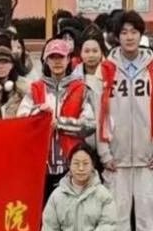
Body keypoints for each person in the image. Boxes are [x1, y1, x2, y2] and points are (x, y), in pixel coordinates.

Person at [96, 11, 153, 231]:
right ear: (117, 36)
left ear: (140, 35)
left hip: (147, 156)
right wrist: (104, 153)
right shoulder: (106, 68)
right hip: (116, 156)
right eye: (124, 32)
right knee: (118, 216)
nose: (129, 37)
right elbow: (100, 113)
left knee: (149, 215)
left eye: (134, 32)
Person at [19, 39, 96, 204]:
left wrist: (59, 123)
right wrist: (38, 114)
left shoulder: (81, 88)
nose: (57, 62)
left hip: (72, 166)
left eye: (60, 57)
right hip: (41, 166)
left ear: (68, 59)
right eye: (52, 57)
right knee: (44, 213)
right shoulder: (35, 89)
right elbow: (21, 120)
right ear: (46, 61)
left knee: (71, 213)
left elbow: (90, 125)